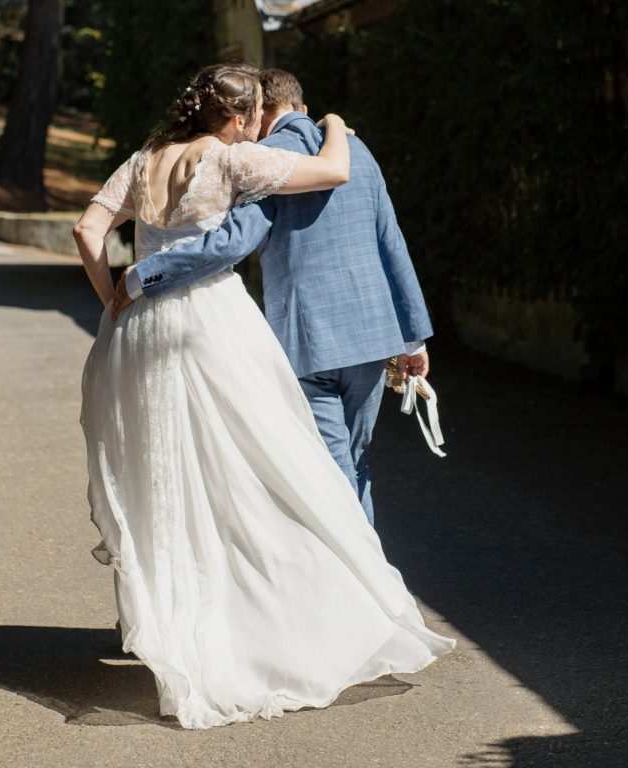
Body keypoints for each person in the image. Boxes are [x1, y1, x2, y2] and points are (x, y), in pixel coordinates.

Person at [74, 62, 454, 730]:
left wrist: (122, 294)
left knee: (174, 474)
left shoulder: (161, 159)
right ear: (245, 115)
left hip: (201, 334)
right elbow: (371, 222)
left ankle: (177, 616)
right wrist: (413, 333)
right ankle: (343, 612)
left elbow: (102, 231)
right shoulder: (313, 151)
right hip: (303, 331)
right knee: (307, 471)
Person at [112, 68, 434, 526]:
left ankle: (359, 578)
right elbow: (391, 242)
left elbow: (230, 244)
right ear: (301, 109)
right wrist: (413, 340)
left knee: (329, 464)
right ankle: (366, 573)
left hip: (307, 341)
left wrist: (146, 274)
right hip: (373, 336)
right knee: (353, 462)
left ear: (260, 113)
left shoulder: (264, 159)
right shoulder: (357, 150)